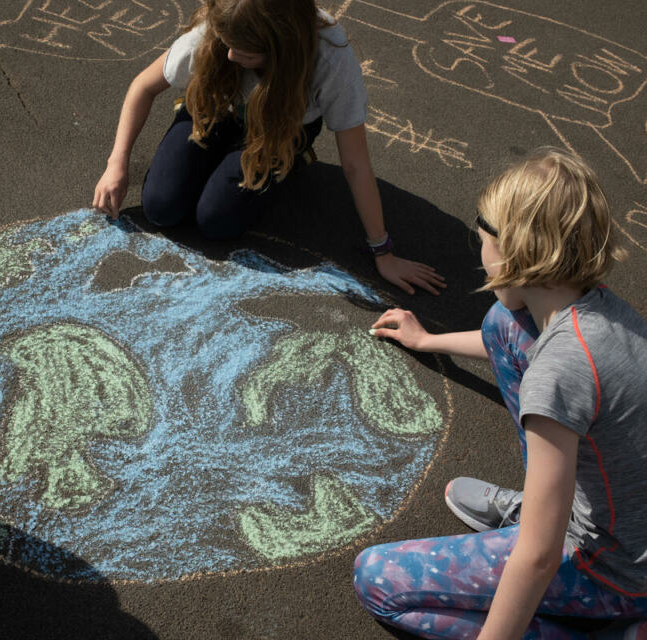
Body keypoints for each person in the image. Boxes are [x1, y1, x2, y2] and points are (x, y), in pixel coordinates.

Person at [353, 149, 647, 639]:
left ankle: (611, 629)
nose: (481, 252)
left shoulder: (559, 372)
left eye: (484, 240)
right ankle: (539, 509)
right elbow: (503, 339)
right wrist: (426, 340)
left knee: (378, 580)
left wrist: (537, 542)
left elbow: (538, 557)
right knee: (503, 327)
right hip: (630, 528)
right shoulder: (600, 313)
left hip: (611, 571)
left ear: (515, 253)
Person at [91, 0, 445, 295]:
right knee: (161, 207)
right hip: (219, 107)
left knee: (216, 221)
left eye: (244, 52)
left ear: (280, 48)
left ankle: (293, 159)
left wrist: (382, 251)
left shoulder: (331, 60)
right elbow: (143, 86)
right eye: (226, 43)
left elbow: (355, 164)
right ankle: (220, 150)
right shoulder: (219, 30)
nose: (229, 55)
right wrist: (116, 163)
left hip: (280, 126)